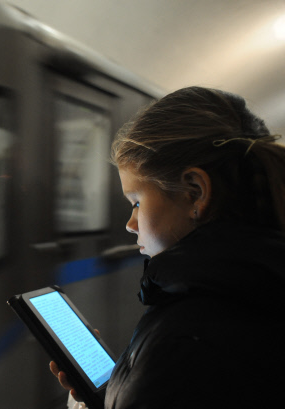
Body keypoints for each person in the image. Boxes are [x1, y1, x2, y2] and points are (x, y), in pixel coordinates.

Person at [51, 86, 285, 408]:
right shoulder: (256, 287)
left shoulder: (187, 342)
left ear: (194, 192)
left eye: (136, 202)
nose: (130, 224)